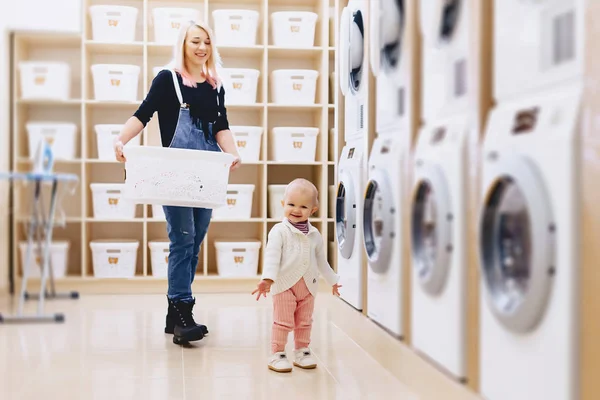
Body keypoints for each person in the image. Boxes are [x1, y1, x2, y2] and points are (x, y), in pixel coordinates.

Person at [113, 20, 241, 345]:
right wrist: (120, 140)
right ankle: (184, 311)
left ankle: (174, 314)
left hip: (206, 173)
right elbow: (143, 114)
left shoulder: (215, 84)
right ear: (183, 44)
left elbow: (220, 125)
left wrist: (233, 152)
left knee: (195, 240)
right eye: (195, 41)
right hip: (175, 173)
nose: (202, 47)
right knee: (182, 239)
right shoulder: (168, 79)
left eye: (207, 42)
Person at [252, 178, 342, 372]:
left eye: (303, 206)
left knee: (304, 321)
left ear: (313, 210)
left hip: (309, 286)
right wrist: (267, 279)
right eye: (291, 204)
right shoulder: (279, 231)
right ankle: (277, 353)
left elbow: (321, 261)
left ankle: (302, 350)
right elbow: (272, 256)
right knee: (283, 321)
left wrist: (333, 280)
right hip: (284, 285)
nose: (296, 210)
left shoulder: (315, 235)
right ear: (283, 204)